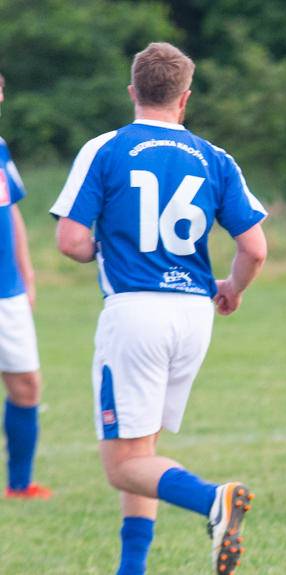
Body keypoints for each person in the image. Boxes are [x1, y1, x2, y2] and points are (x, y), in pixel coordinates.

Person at [50, 43, 267, 575]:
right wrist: (233, 288)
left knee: (122, 467)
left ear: (133, 91)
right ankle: (133, 568)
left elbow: (70, 241)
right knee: (141, 451)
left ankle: (212, 499)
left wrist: (107, 246)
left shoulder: (106, 148)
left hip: (136, 313)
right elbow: (255, 248)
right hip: (194, 314)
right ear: (184, 98)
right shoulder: (216, 158)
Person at [0, 73, 51, 500]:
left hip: (7, 291)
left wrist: (27, 274)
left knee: (26, 385)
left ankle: (19, 485)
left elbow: (11, 211)